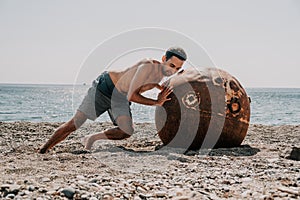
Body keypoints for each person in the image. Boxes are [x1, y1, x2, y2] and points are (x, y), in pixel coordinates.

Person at [38, 47, 187, 153]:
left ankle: (91, 138)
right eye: (171, 65)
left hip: (119, 98)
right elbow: (132, 96)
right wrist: (156, 102)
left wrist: (161, 89)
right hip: (106, 87)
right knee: (76, 123)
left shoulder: (162, 74)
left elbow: (137, 90)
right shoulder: (147, 65)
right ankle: (44, 149)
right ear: (163, 59)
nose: (172, 71)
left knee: (126, 131)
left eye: (177, 69)